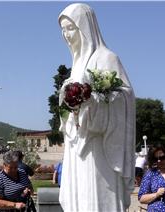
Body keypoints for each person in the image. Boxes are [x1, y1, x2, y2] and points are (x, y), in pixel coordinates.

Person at [58, 3, 136, 211]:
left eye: (70, 28)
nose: (66, 35)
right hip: (78, 143)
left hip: (99, 145)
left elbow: (125, 97)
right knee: (79, 197)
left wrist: (94, 101)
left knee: (96, 196)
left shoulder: (106, 58)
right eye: (63, 30)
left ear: (84, 28)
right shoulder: (76, 65)